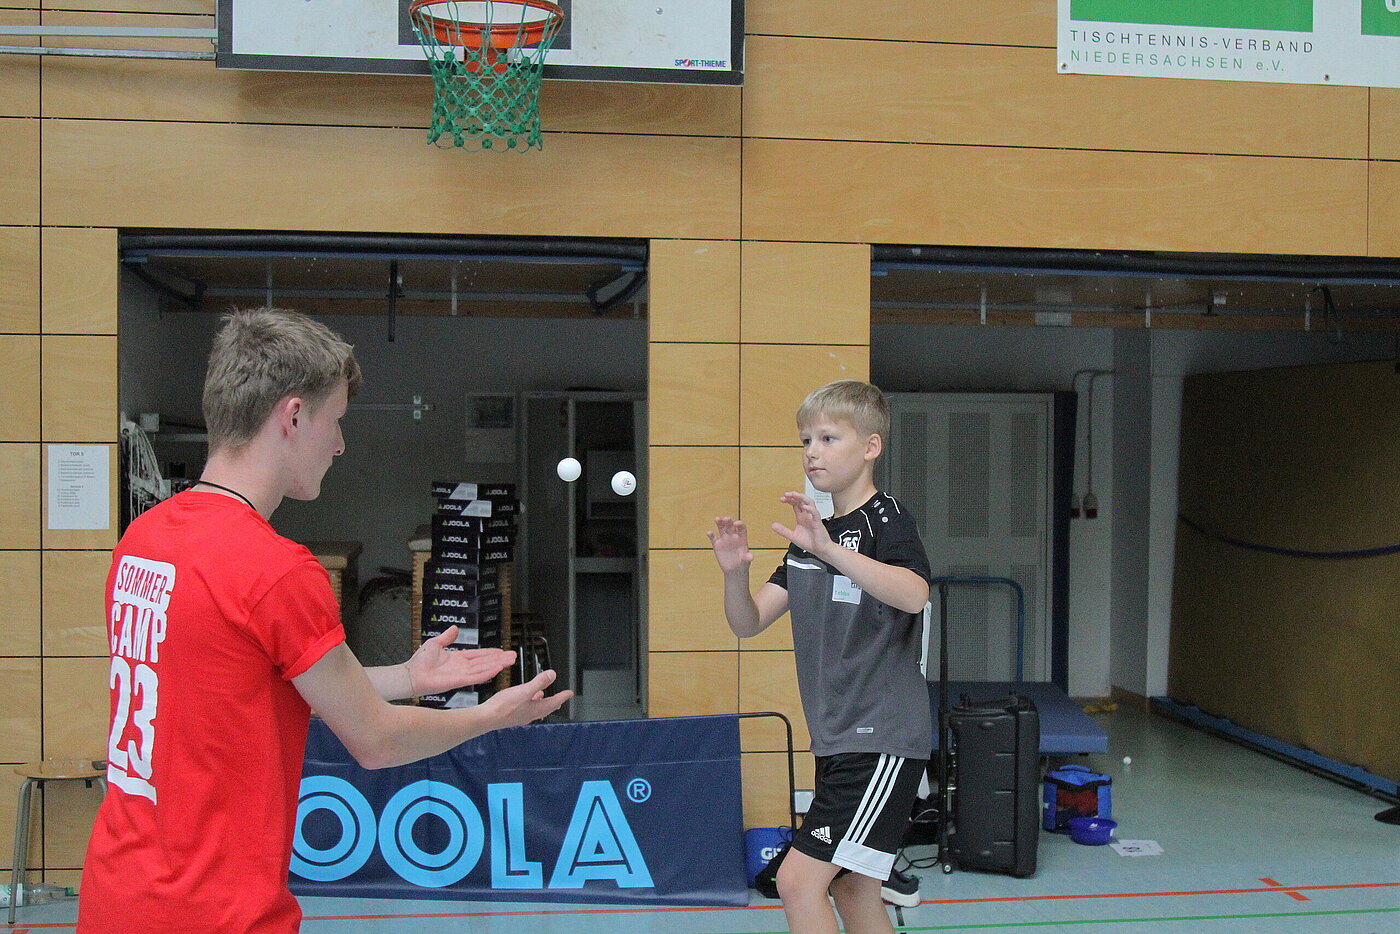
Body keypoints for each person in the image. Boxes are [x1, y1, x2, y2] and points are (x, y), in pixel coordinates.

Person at [78, 308, 571, 934]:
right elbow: (376, 740)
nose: (339, 445)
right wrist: (492, 718)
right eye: (335, 421)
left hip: (117, 898)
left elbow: (237, 682)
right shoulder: (275, 569)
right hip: (213, 912)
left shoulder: (145, 541)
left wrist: (407, 678)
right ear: (292, 417)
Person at [709, 379, 931, 934]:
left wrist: (830, 550)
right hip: (835, 737)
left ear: (871, 446)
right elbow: (748, 622)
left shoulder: (886, 519)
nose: (812, 452)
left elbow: (913, 594)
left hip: (880, 736)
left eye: (829, 438)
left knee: (796, 881)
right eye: (806, 440)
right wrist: (734, 576)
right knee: (853, 886)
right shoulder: (812, 536)